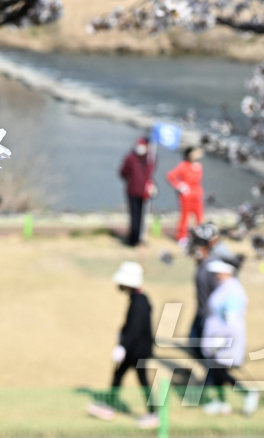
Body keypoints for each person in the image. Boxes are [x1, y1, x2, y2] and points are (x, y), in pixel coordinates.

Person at [86, 261, 160, 428]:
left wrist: (123, 346)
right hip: (136, 349)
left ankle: (154, 413)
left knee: (141, 380)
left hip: (137, 351)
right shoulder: (139, 299)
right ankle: (110, 406)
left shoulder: (139, 302)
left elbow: (135, 329)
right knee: (119, 375)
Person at [199, 259, 259, 416]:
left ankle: (247, 393)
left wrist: (222, 339)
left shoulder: (233, 290)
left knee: (219, 371)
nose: (215, 275)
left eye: (218, 272)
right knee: (217, 369)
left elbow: (231, 320)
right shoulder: (224, 287)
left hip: (226, 337)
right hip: (218, 336)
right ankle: (222, 402)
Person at [187, 224, 234, 363]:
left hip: (209, 313)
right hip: (202, 310)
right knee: (195, 340)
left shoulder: (213, 265)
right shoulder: (203, 263)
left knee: (202, 343)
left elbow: (221, 290)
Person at [118, 138, 156, 247]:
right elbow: (123, 172)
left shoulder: (150, 159)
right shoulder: (131, 158)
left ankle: (141, 238)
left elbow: (151, 172)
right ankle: (133, 239)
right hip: (133, 191)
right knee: (134, 216)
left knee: (143, 216)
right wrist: (132, 181)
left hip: (145, 192)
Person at [167, 146, 205, 243]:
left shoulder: (199, 166)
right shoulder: (183, 165)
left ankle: (198, 236)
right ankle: (181, 237)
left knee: (199, 216)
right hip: (186, 195)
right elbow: (170, 176)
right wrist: (179, 185)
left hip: (197, 194)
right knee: (185, 216)